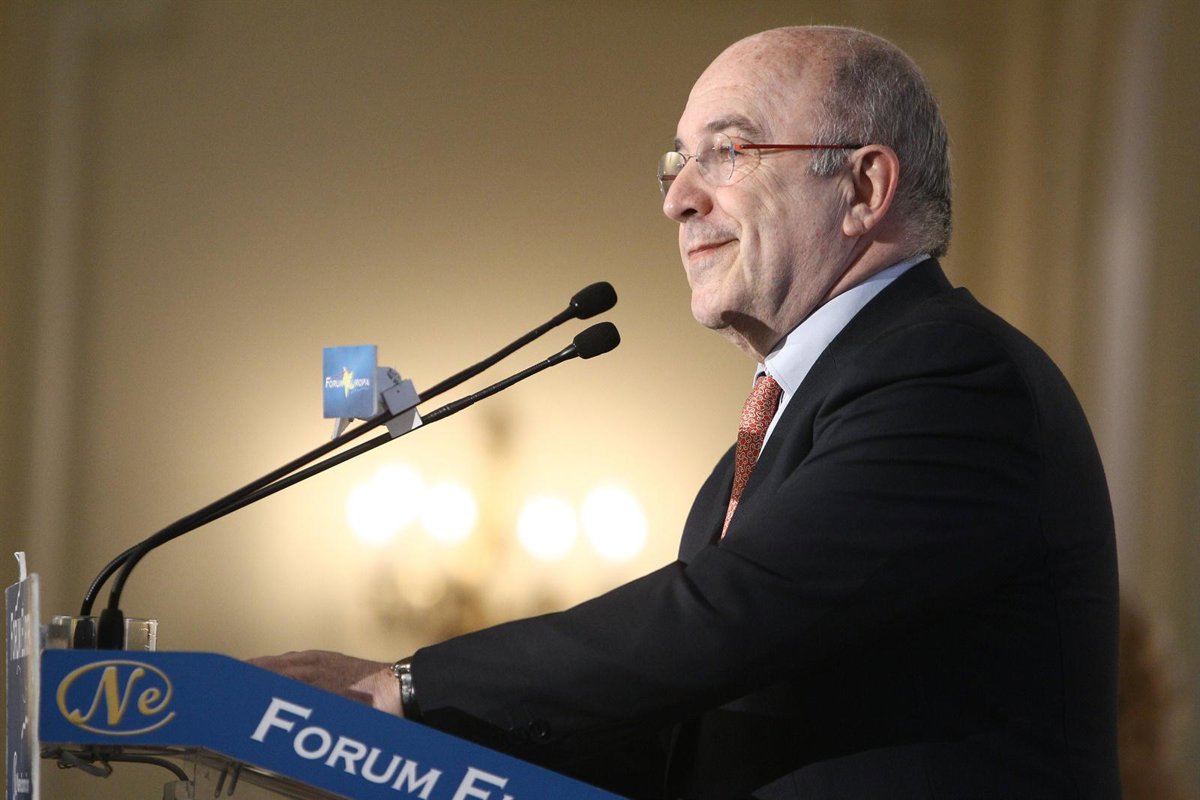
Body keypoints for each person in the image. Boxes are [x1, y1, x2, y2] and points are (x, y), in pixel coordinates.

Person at [253, 26, 1120, 799]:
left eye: (728, 152)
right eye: (678, 163)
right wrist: (398, 757)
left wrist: (404, 690)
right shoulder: (766, 442)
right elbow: (681, 742)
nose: (678, 199)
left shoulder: (953, 377)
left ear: (864, 187)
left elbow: (725, 617)